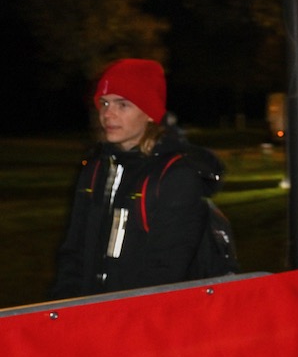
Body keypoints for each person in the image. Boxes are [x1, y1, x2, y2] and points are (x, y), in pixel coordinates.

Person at [49, 58, 223, 299]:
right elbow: (74, 251)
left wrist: (124, 319)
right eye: (104, 102)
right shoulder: (96, 168)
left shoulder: (176, 176)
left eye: (123, 105)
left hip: (142, 321)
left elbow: (166, 269)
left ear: (150, 113)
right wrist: (63, 308)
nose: (108, 114)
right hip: (90, 315)